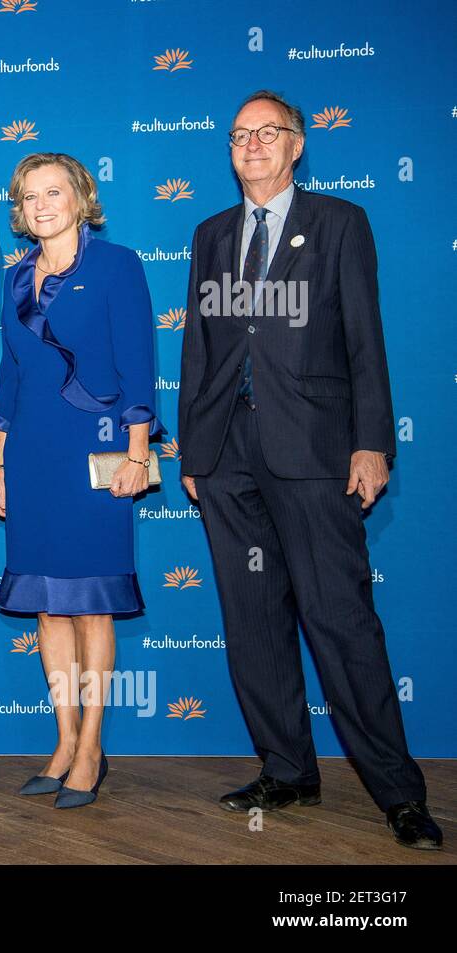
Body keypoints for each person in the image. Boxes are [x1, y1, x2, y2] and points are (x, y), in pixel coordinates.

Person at [179, 90, 441, 849]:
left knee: (340, 620)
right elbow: (201, 345)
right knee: (253, 624)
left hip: (316, 451)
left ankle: (398, 791)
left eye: (269, 133)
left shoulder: (338, 223)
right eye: (240, 135)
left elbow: (365, 335)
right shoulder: (211, 234)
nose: (253, 145)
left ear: (297, 146)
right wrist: (196, 450)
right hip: (227, 456)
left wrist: (371, 442)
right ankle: (287, 769)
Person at [0, 153, 158, 809]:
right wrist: (0, 462)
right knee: (50, 604)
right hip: (32, 455)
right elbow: (12, 376)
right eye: (30, 197)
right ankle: (62, 738)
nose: (42, 205)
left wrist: (138, 452)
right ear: (20, 211)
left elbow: (139, 363)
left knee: (91, 602)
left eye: (54, 192)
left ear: (82, 197)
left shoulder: (118, 266)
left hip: (100, 450)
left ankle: (91, 745)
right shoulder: (14, 278)